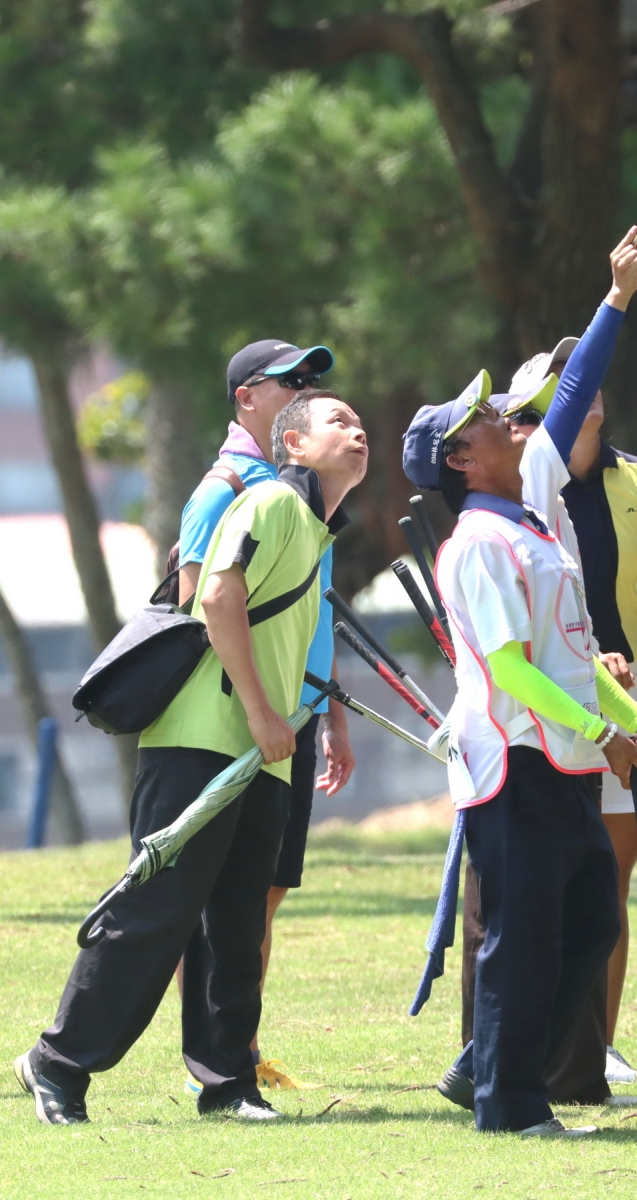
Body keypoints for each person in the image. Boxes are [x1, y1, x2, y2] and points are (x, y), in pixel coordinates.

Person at [15, 389, 369, 1125]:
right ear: (293, 445)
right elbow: (215, 597)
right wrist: (263, 711)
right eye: (338, 421)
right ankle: (58, 1064)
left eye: (359, 422)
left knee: (235, 925)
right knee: (156, 911)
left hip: (261, 750)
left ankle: (228, 1079)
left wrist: (294, 723)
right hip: (201, 739)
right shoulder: (270, 503)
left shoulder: (315, 528)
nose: (357, 430)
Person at [402, 228, 637, 1137]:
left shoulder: (529, 518)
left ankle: (494, 1068)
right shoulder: (479, 540)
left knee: (591, 924)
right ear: (461, 459)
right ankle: (508, 1103)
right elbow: (515, 670)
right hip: (516, 760)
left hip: (564, 759)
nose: (506, 421)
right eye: (486, 420)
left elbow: (572, 650)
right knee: (520, 939)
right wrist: (607, 736)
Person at [509, 342, 637, 1087]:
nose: (582, 390)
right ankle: (554, 1046)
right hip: (561, 692)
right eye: (562, 382)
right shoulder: (525, 482)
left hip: (632, 690)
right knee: (559, 875)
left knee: (610, 877)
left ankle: (599, 1045)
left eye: (585, 377)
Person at [177, 341, 355, 1093]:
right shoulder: (224, 488)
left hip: (298, 705)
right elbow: (196, 603)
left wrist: (332, 711)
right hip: (238, 716)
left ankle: (237, 1044)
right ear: (247, 397)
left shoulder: (309, 493)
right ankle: (212, 1058)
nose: (305, 392)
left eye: (312, 382)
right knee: (214, 895)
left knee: (266, 888)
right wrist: (252, 708)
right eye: (290, 383)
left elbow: (317, 613)